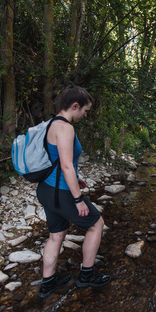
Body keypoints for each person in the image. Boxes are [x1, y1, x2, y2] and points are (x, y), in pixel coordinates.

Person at [36, 85, 111, 299]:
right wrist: (78, 199)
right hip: (62, 192)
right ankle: (87, 275)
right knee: (96, 225)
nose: (85, 115)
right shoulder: (66, 128)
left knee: (56, 235)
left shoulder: (51, 123)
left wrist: (76, 177)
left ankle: (48, 283)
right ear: (75, 106)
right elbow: (67, 165)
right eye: (85, 111)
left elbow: (57, 159)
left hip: (46, 190)